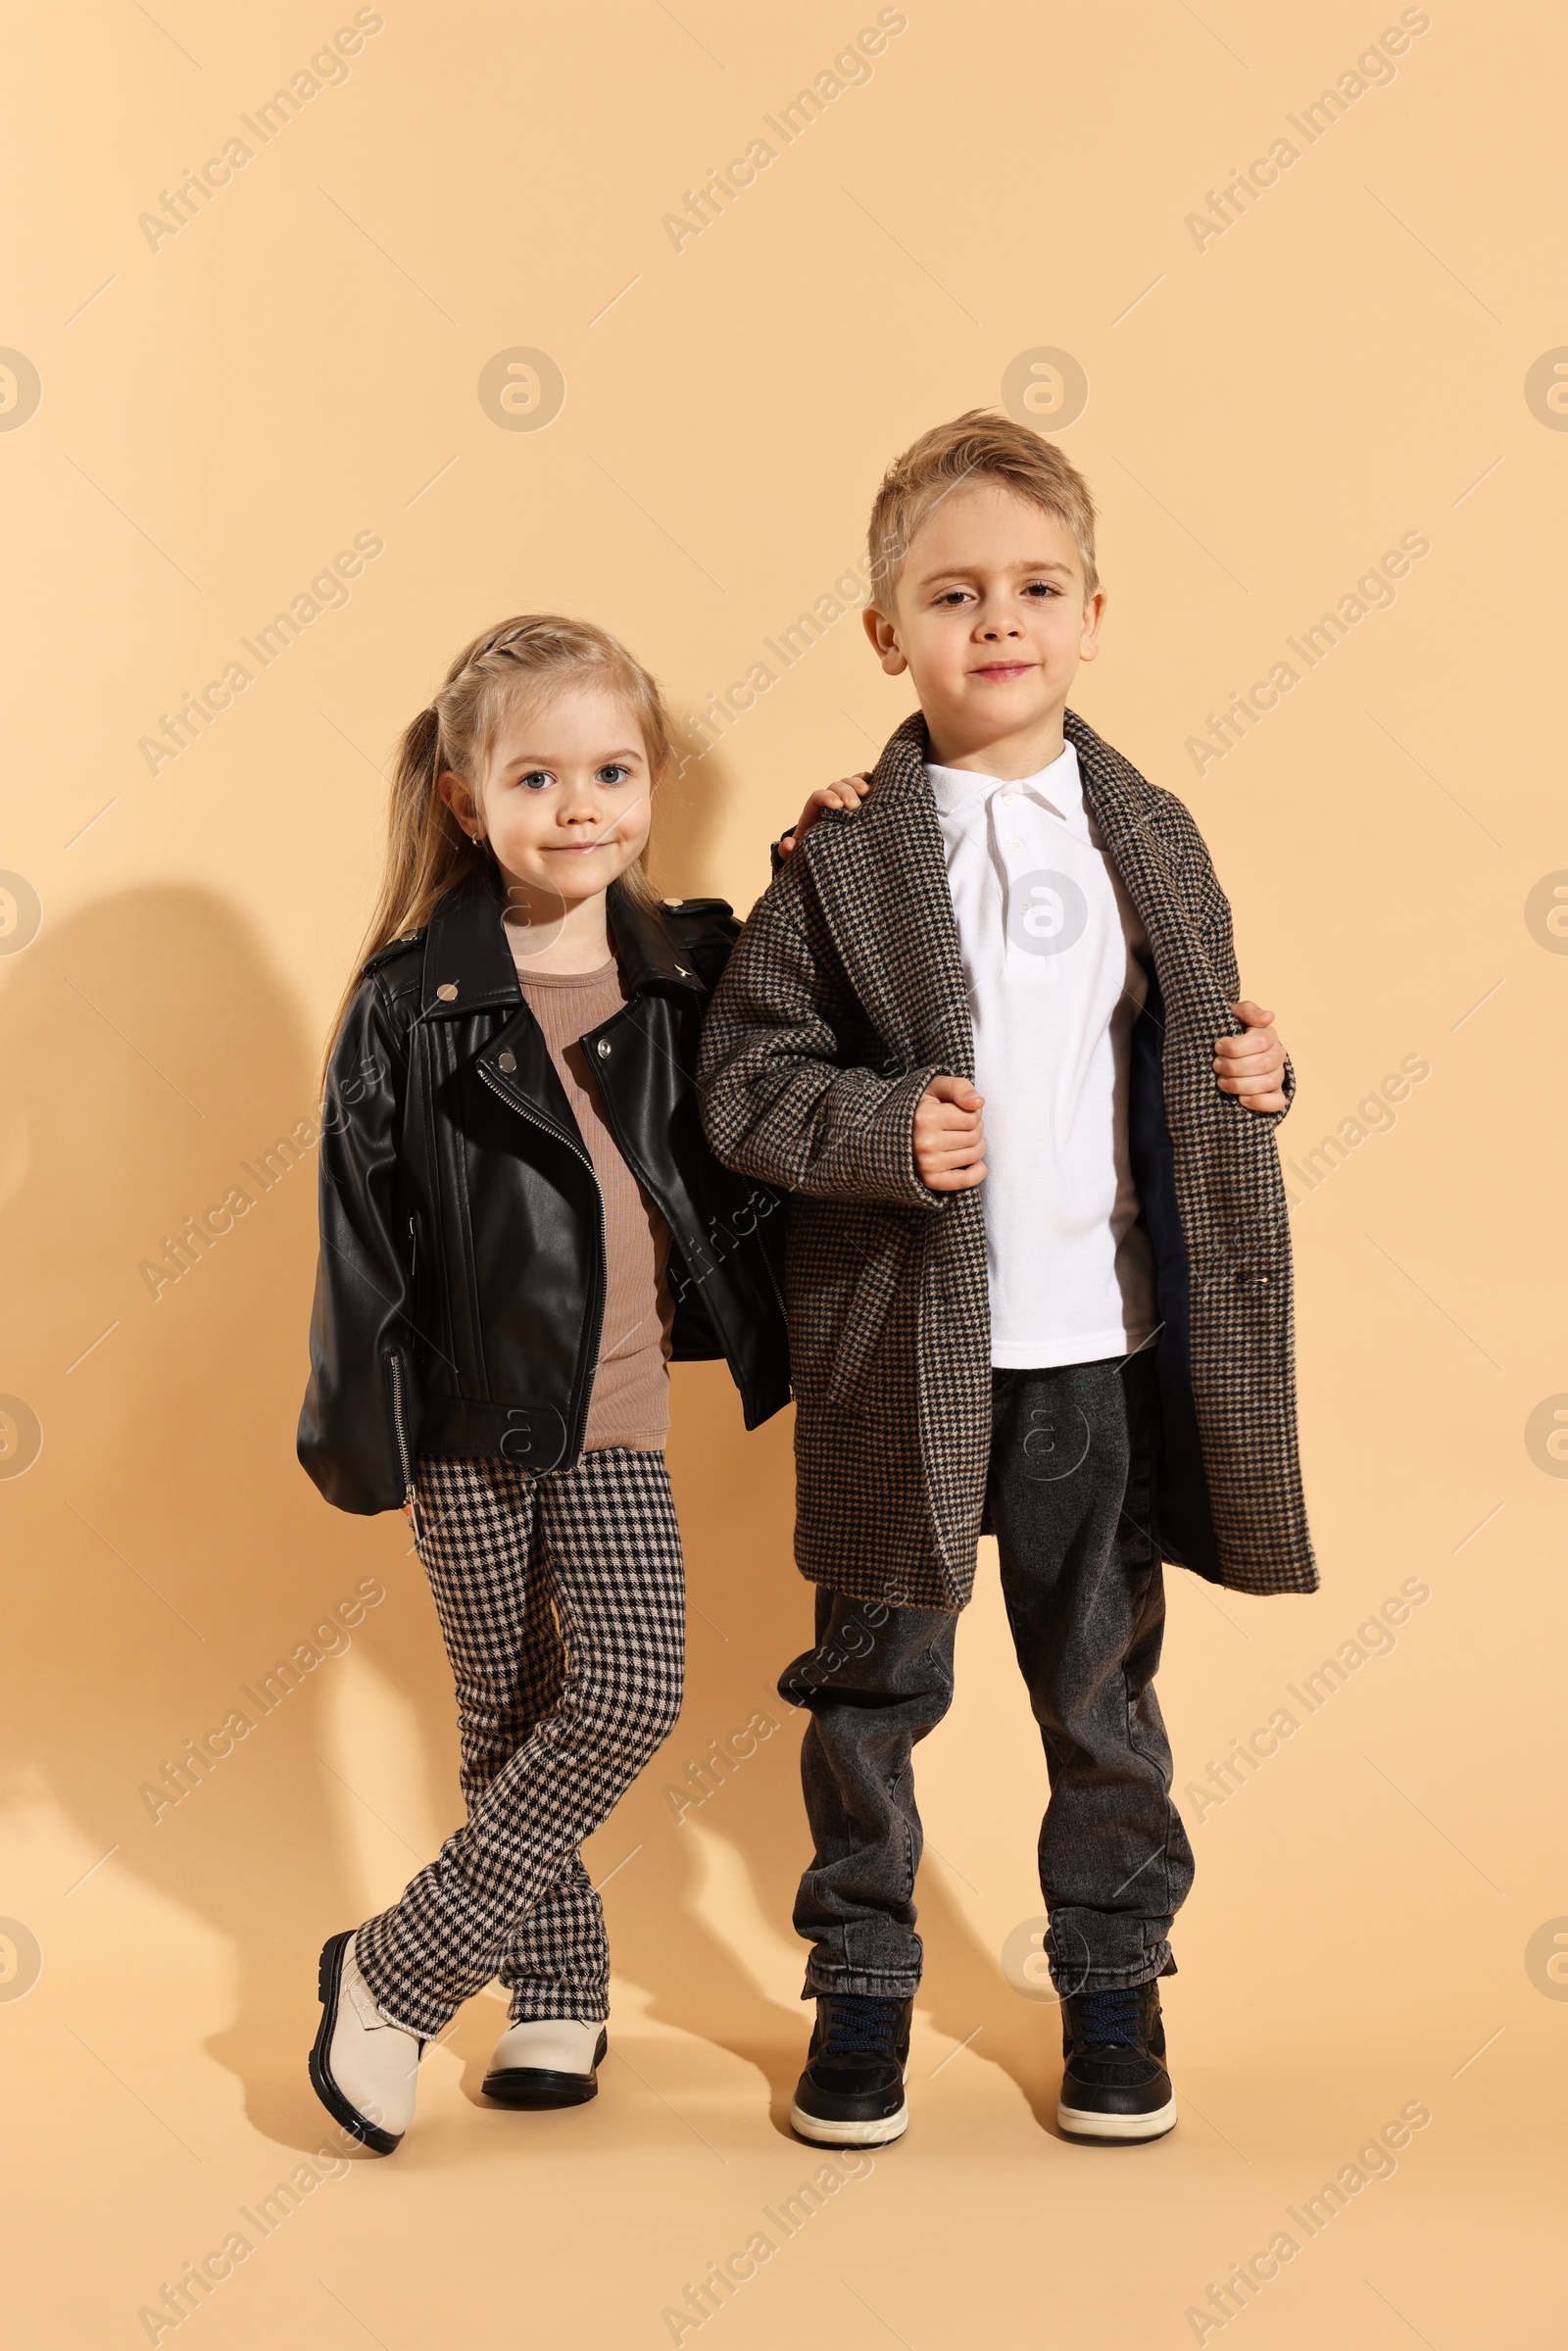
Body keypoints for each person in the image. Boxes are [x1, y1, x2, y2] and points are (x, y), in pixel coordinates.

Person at [697, 413, 1316, 2150]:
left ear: (1096, 614)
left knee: (1101, 1691)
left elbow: (1196, 1043)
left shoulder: (1151, 832)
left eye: (1037, 586)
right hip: (906, 1347)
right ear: (888, 632)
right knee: (877, 1682)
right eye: (952, 593)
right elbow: (744, 1086)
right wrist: (886, 1128)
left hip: (1097, 1352)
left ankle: (1112, 1987)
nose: (999, 621)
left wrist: (1259, 1069)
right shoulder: (841, 858)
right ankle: (864, 1992)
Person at [297, 613, 806, 2153]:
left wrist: (838, 839)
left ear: (650, 784)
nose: (580, 806)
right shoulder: (413, 1003)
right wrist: (361, 1429)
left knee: (630, 1690)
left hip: (621, 1422)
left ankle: (394, 1967)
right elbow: (357, 1233)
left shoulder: (690, 969)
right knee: (512, 1712)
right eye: (537, 776)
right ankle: (558, 1991)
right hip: (465, 1424)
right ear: (466, 799)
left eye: (612, 770)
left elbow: (822, 1028)